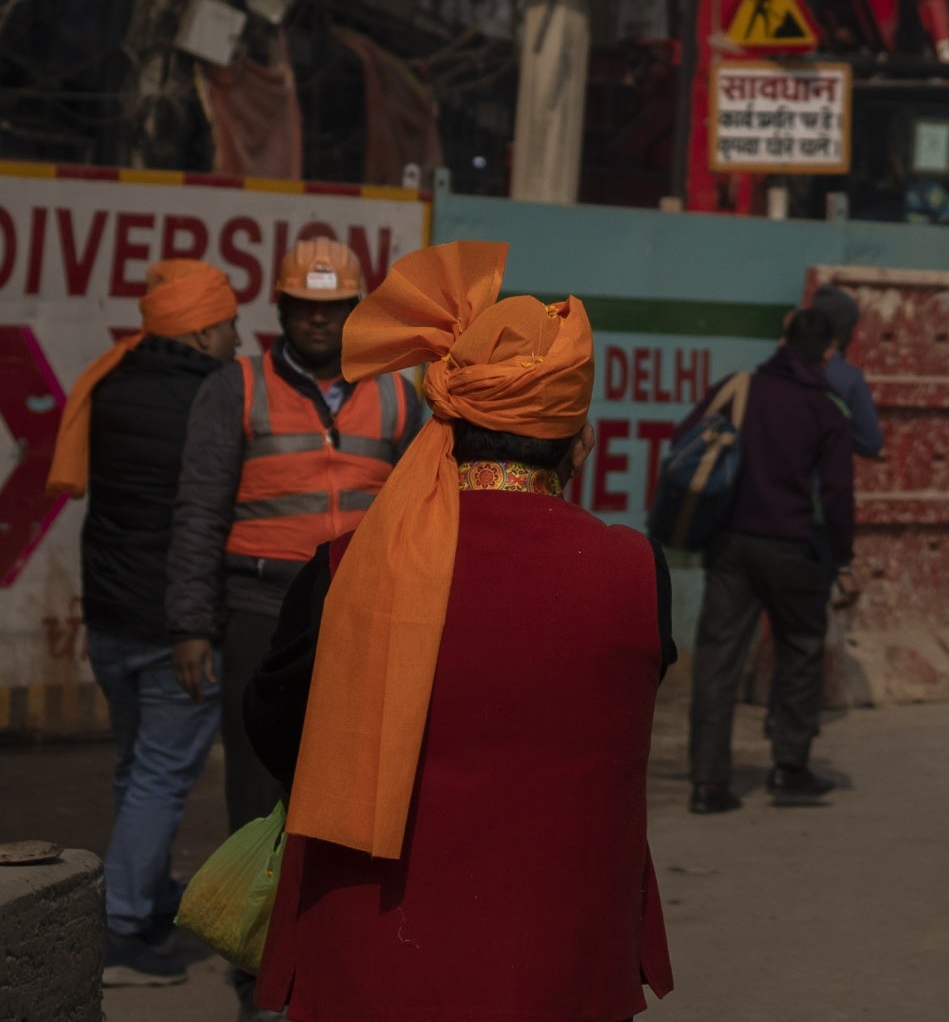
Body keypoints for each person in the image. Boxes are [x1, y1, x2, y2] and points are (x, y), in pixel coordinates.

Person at [245, 240, 672, 1020]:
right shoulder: (637, 573)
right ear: (579, 440)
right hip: (558, 950)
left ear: (450, 418)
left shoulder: (348, 566)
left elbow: (275, 722)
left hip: (377, 943)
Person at [169, 234, 426, 837]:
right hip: (262, 612)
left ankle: (328, 925)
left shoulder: (396, 393)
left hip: (362, 612)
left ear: (356, 310)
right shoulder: (236, 386)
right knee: (258, 790)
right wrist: (189, 627)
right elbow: (198, 513)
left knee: (354, 787)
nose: (318, 316)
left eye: (333, 304)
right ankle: (256, 925)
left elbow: (422, 514)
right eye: (304, 304)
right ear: (280, 308)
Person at [46, 258, 240, 988]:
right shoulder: (215, 397)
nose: (238, 338)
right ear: (203, 328)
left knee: (137, 765)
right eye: (230, 325)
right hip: (175, 624)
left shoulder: (113, 383)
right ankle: (123, 925)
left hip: (110, 617)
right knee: (162, 774)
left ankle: (150, 895)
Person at [686, 288, 860, 813]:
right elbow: (836, 496)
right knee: (801, 651)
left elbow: (690, 442)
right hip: (791, 547)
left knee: (717, 661)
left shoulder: (739, 388)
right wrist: (843, 557)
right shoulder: (826, 410)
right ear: (827, 351)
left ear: (783, 341)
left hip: (731, 543)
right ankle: (790, 768)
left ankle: (709, 784)